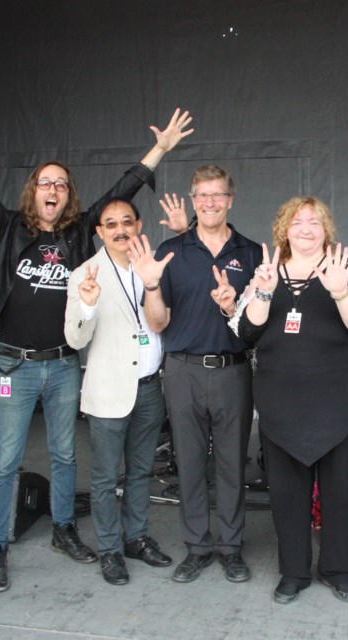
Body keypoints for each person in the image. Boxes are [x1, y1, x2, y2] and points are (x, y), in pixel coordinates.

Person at [0, 84, 192, 593]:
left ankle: (64, 531)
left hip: (64, 363)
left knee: (65, 455)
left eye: (63, 184)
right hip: (14, 363)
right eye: (46, 182)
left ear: (70, 197)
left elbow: (126, 188)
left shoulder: (79, 235)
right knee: (6, 459)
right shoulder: (9, 228)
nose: (54, 189)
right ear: (34, 190)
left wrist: (160, 148)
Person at [229, 196, 348, 604]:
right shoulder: (266, 273)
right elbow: (247, 331)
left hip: (342, 405)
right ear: (284, 229)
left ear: (326, 229)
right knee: (286, 494)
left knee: (342, 492)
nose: (306, 228)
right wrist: (263, 293)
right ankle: (293, 572)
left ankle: (338, 569)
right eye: (297, 221)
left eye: (314, 221)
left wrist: (340, 293)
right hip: (282, 406)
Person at [127, 165, 260, 584]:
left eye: (217, 194)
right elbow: (159, 322)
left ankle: (231, 548)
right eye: (201, 195)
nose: (209, 202)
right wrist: (150, 286)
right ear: (192, 200)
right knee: (188, 463)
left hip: (233, 371)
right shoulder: (170, 251)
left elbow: (261, 321)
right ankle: (198, 547)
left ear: (230, 199)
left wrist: (232, 303)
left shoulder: (252, 253)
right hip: (182, 371)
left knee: (231, 464)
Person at [64, 198, 172, 585]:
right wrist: (89, 306)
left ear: (139, 225)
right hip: (109, 391)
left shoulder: (153, 266)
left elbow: (162, 322)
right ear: (99, 232)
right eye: (111, 224)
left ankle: (136, 538)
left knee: (142, 471)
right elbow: (75, 338)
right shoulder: (84, 274)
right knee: (106, 477)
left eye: (127, 221)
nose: (120, 229)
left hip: (148, 388)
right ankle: (110, 550)